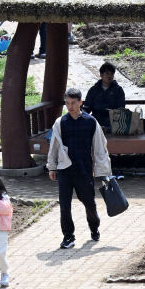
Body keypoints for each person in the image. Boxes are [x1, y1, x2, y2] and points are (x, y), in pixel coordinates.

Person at [47, 86, 111, 250]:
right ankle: (68, 236)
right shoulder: (60, 122)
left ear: (81, 102)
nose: (70, 106)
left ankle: (94, 227)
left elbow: (100, 148)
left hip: (84, 169)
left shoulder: (91, 122)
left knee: (89, 202)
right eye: (67, 103)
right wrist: (52, 167)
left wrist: (103, 171)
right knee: (64, 204)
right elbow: (54, 146)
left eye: (73, 103)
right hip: (64, 169)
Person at [84, 62, 126, 134]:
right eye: (107, 73)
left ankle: (104, 130)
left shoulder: (118, 90)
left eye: (112, 74)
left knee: (119, 126)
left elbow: (121, 108)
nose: (109, 76)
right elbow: (87, 107)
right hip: (96, 118)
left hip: (112, 120)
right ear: (101, 75)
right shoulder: (93, 90)